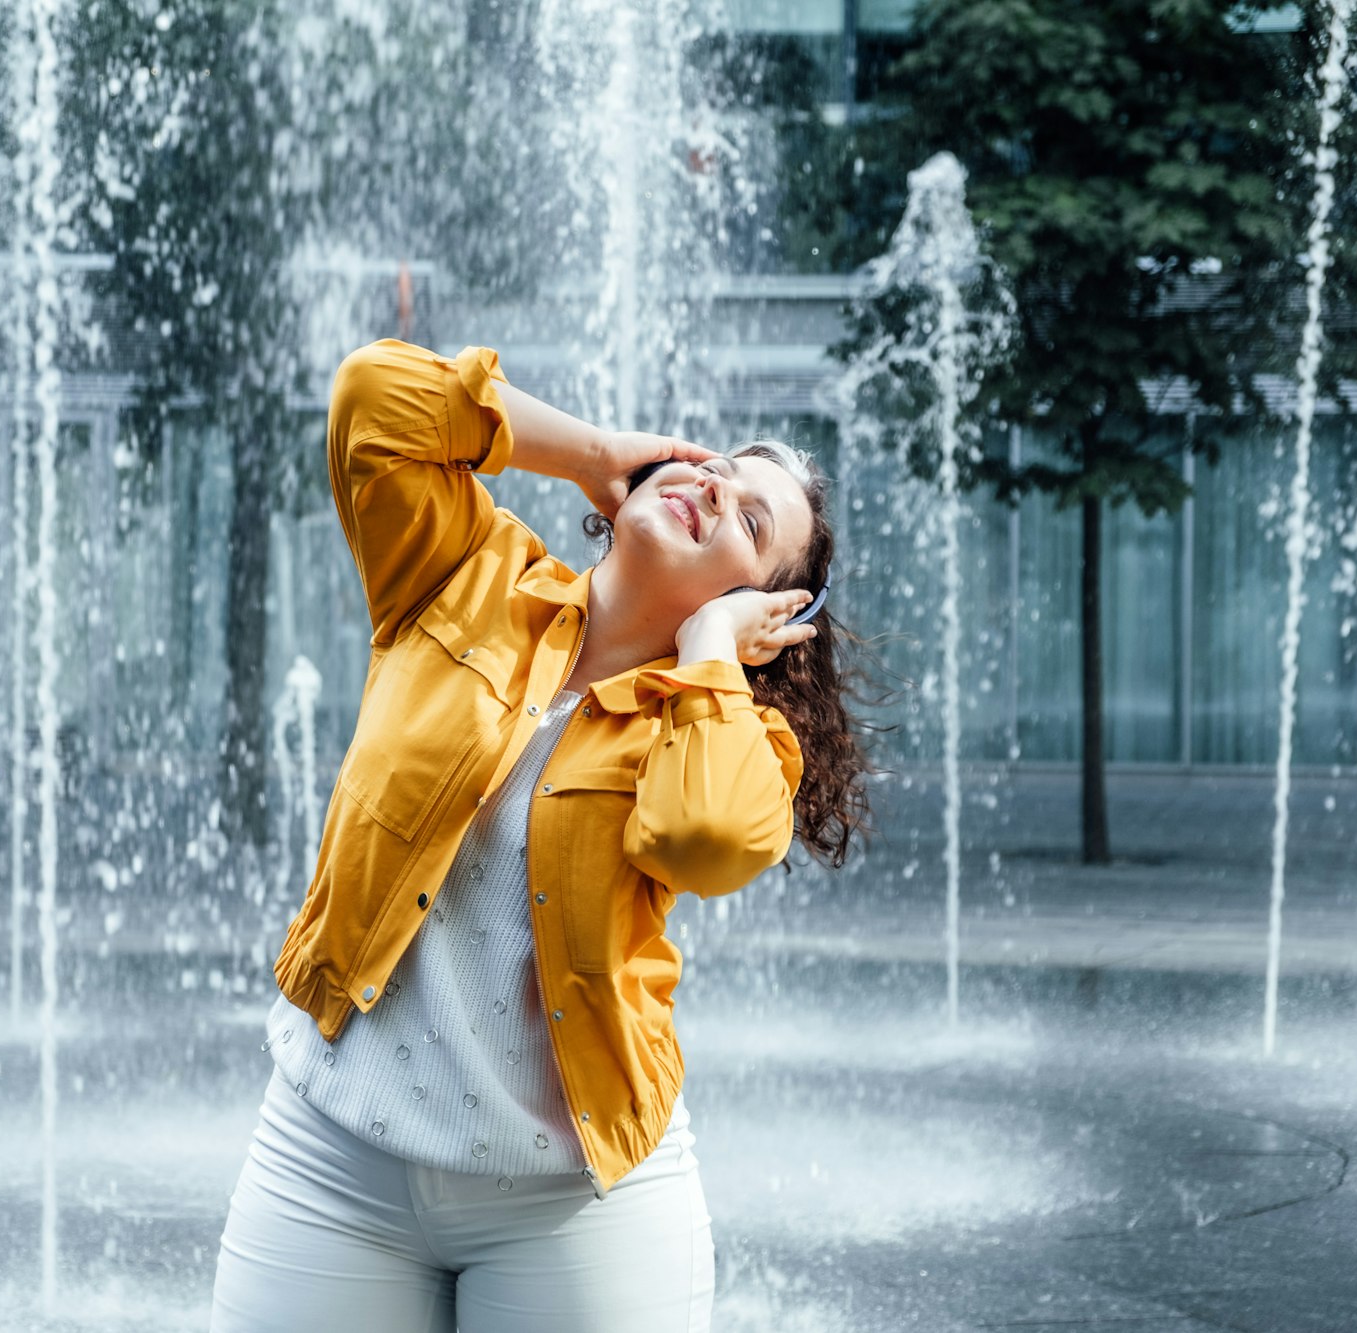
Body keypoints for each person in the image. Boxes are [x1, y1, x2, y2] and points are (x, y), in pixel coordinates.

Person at [209, 340, 872, 1332]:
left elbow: (703, 836)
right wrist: (585, 450)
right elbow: (372, 399)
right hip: (332, 1153)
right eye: (715, 470)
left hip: (577, 1207)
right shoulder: (466, 575)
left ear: (765, 607)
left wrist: (702, 655)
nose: (711, 492)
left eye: (748, 518)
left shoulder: (733, 732)